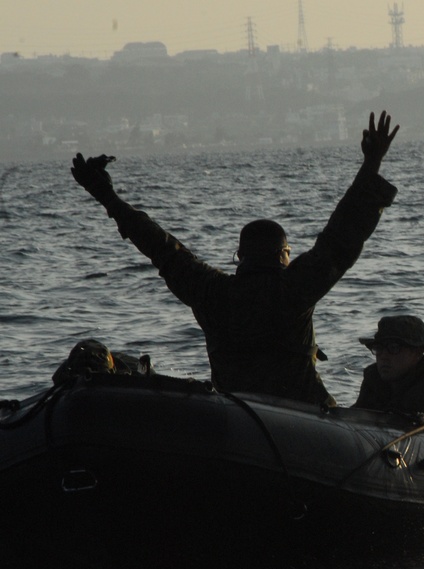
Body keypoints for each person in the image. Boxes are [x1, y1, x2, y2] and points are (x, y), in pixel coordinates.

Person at [70, 111, 400, 406]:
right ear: (283, 256)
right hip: (304, 414)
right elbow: (342, 236)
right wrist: (371, 163)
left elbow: (158, 244)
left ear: (240, 257)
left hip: (236, 417)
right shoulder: (294, 289)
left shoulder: (210, 291)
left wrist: (106, 195)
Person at [353, 315, 424, 418]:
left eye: (393, 348)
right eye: (378, 348)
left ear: (417, 354)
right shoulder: (373, 384)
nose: (383, 356)